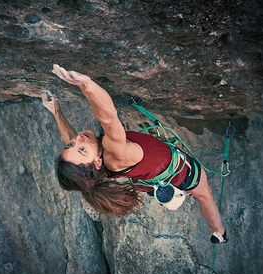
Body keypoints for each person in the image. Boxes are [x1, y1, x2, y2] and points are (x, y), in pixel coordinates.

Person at [42, 64, 227, 244]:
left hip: (148, 181)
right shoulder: (115, 154)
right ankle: (219, 231)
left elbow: (71, 144)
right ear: (97, 163)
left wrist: (56, 112)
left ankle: (215, 229)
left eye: (72, 145)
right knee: (205, 196)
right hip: (181, 174)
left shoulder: (94, 171)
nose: (78, 139)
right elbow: (109, 117)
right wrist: (86, 85)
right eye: (81, 149)